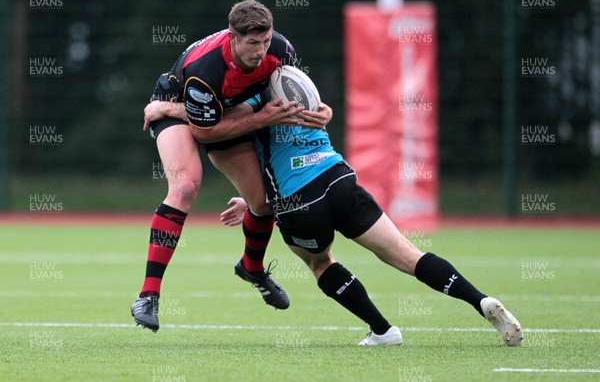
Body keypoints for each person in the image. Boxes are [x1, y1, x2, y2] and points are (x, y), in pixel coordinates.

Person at [218, 92, 524, 346]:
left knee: (321, 263)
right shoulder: (295, 80)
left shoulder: (247, 97)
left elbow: (220, 127)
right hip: (337, 177)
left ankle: (382, 330)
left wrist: (254, 202)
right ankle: (480, 301)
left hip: (300, 200)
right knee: (408, 254)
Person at [131, 0, 332, 332]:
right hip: (178, 103)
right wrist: (256, 117)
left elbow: (285, 93)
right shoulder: (206, 70)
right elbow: (204, 129)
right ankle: (148, 295)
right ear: (232, 37)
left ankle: (252, 268)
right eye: (252, 43)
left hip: (226, 109)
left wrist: (321, 110)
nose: (260, 50)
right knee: (185, 186)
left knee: (263, 203)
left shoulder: (281, 50)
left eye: (265, 41)